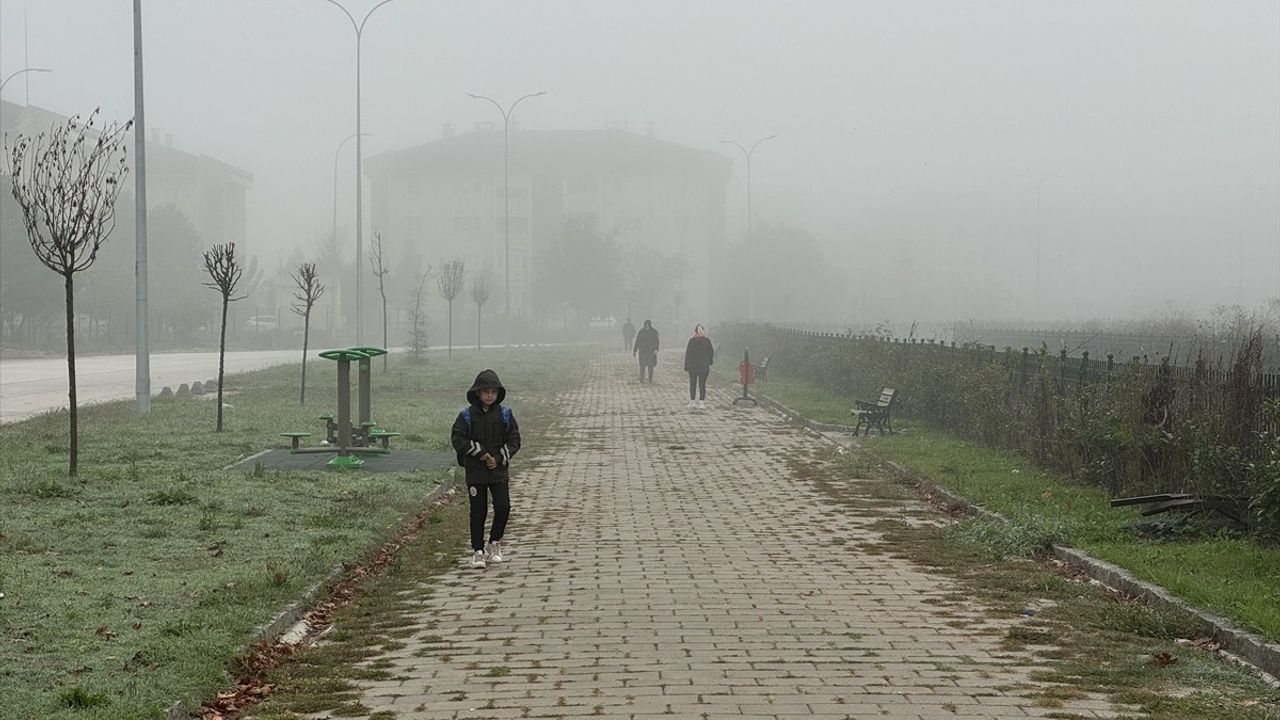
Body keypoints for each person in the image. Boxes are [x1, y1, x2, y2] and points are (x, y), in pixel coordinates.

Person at [450, 369, 522, 569]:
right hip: (476, 471)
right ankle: (478, 550)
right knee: (478, 511)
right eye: (485, 391)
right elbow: (458, 439)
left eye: (493, 392)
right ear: (478, 393)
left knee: (503, 507)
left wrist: (498, 458)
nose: (489, 395)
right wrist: (480, 453)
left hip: (498, 471)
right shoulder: (466, 416)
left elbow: (514, 440)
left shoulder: (505, 414)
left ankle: (495, 542)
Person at [683, 324, 714, 409]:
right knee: (696, 384)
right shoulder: (696, 341)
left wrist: (709, 361)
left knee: (700, 384)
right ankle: (694, 401)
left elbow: (710, 352)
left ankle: (699, 401)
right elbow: (688, 354)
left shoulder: (703, 341)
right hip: (696, 366)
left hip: (700, 366)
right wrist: (686, 365)